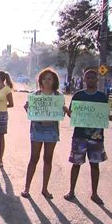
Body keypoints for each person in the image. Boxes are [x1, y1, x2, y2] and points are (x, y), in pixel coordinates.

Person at [64, 69, 112, 205]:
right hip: (79, 136)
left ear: (97, 80)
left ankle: (94, 193)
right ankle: (71, 191)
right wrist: (67, 112)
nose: (91, 80)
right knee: (76, 164)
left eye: (93, 78)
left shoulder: (102, 97)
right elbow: (72, 115)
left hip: (96, 137)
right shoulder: (78, 96)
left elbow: (105, 115)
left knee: (95, 165)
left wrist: (111, 117)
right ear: (84, 79)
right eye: (88, 77)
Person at [21, 68, 68, 199]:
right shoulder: (35, 95)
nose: (46, 81)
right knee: (34, 158)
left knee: (48, 159)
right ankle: (27, 188)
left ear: (54, 81)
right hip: (37, 127)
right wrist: (27, 109)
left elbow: (61, 113)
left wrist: (64, 110)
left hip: (52, 129)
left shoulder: (58, 97)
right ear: (40, 80)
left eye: (49, 79)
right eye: (44, 78)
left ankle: (45, 189)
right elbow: (31, 113)